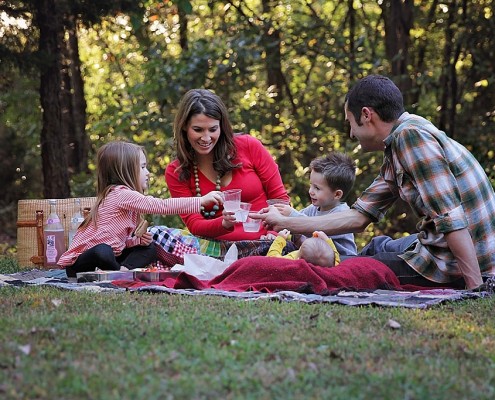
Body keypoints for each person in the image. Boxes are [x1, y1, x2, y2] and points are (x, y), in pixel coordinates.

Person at [253, 74, 495, 289]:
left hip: (456, 263)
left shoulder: (411, 138)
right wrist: (289, 221)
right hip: (442, 249)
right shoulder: (400, 141)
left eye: (350, 123)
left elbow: (450, 218)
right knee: (379, 244)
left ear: (367, 115)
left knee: (343, 269)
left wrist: (476, 286)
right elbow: (359, 217)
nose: (351, 134)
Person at [58, 141, 223, 278]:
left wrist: (135, 242)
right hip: (81, 263)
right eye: (143, 167)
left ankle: (121, 272)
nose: (148, 173)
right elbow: (160, 205)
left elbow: (118, 242)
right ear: (126, 170)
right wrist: (200, 201)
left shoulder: (127, 201)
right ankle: (116, 272)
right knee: (103, 250)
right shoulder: (120, 194)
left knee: (149, 248)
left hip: (111, 257)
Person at [157, 88, 289, 243]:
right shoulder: (176, 171)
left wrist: (274, 235)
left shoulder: (248, 146)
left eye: (213, 129)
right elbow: (194, 224)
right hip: (217, 250)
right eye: (198, 130)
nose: (206, 138)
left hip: (267, 242)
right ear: (184, 127)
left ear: (221, 126)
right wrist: (223, 223)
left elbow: (280, 200)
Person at [271, 152, 357, 256]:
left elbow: (317, 231)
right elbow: (295, 225)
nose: (311, 191)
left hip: (343, 261)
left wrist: (291, 214)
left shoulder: (342, 214)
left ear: (337, 194)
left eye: (317, 188)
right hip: (320, 259)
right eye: (311, 185)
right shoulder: (314, 208)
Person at [267, 229, 340, 267]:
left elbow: (272, 258)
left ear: (299, 260)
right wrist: (327, 240)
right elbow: (335, 257)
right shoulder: (331, 266)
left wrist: (280, 238)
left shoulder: (291, 263)